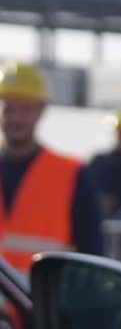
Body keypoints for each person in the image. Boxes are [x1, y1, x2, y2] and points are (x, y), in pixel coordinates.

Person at [0, 62, 104, 271]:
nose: (17, 118)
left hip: (44, 302)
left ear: (41, 111)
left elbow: (93, 254)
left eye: (26, 109)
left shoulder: (72, 173)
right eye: (9, 108)